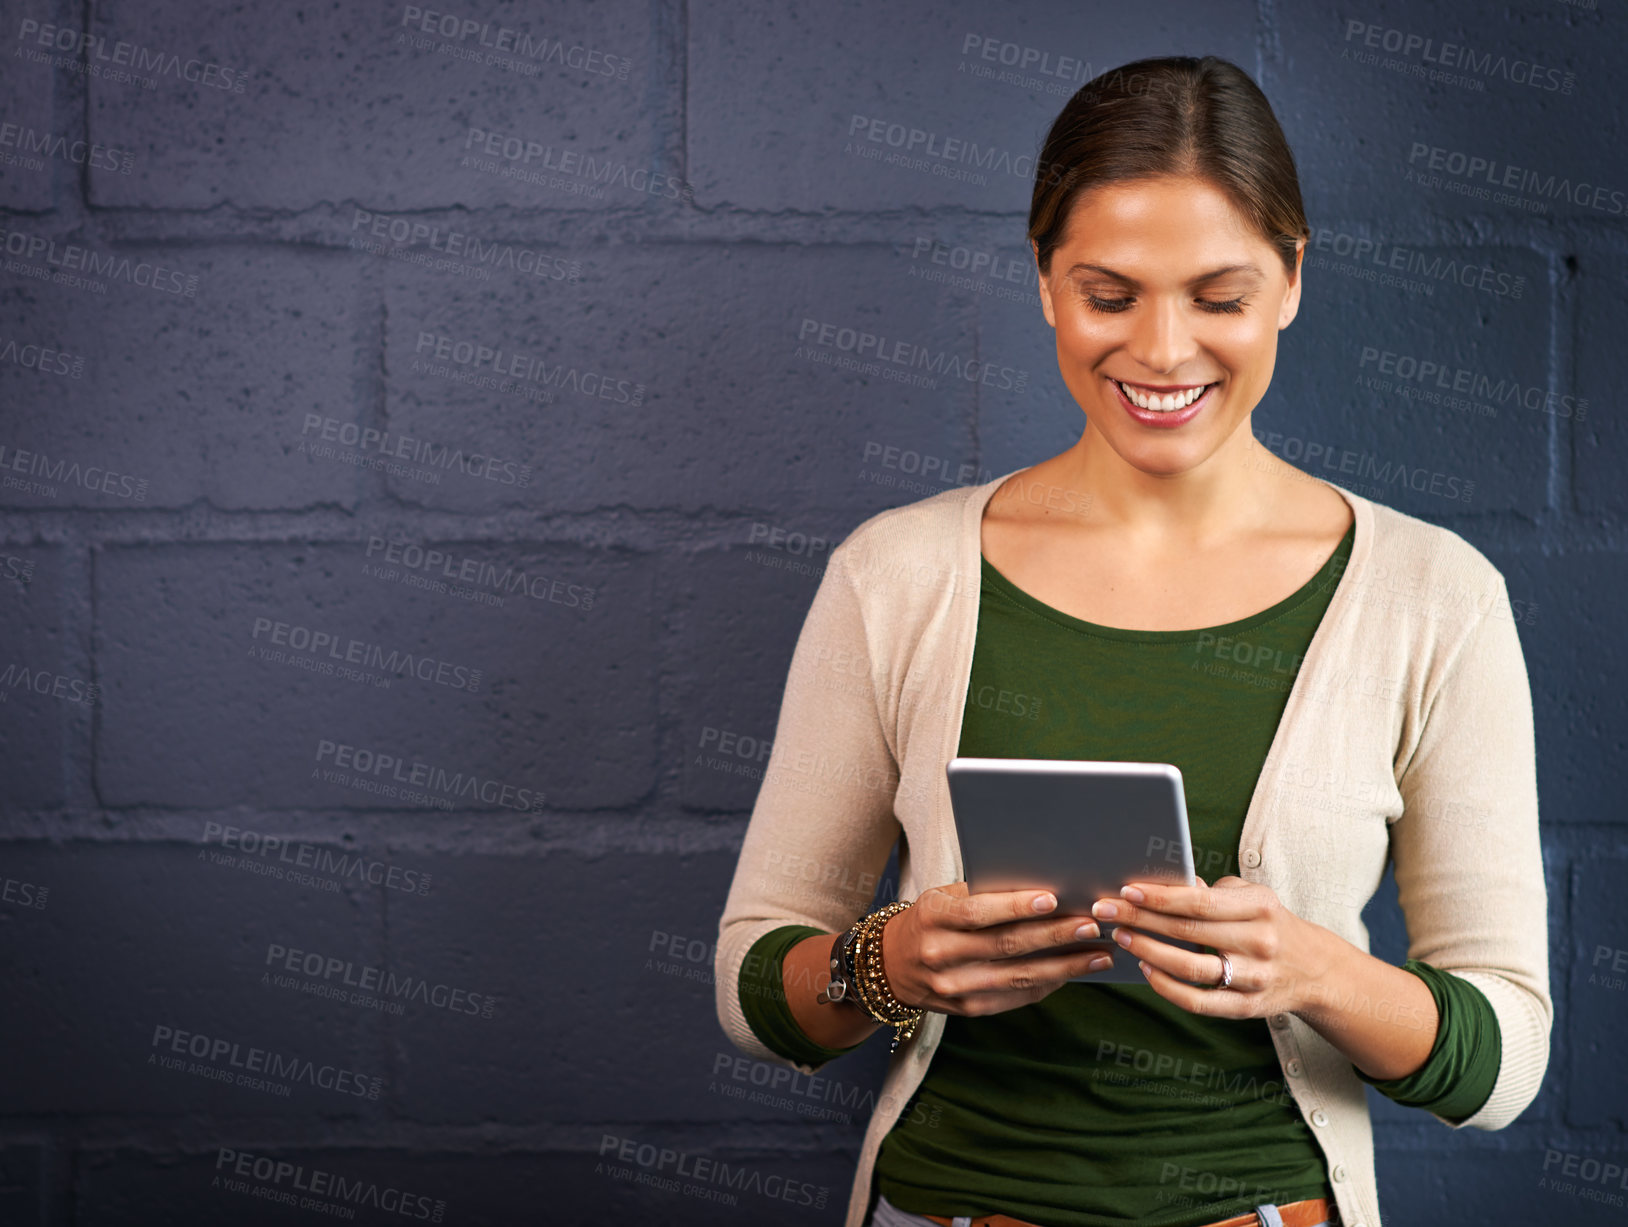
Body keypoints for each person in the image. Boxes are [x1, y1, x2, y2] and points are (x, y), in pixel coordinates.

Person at [714, 55, 1550, 1227]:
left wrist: (1314, 970)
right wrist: (887, 963)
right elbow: (754, 988)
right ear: (1044, 284)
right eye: (1109, 295)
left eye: (1218, 297)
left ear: (1291, 280)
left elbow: (1504, 1060)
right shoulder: (893, 575)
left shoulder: (1432, 597)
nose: (1161, 353)